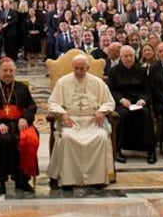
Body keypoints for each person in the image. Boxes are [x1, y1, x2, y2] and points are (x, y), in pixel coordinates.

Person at [47, 54, 115, 188]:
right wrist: (63, 114)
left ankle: (97, 180)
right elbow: (52, 103)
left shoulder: (98, 82)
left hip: (92, 121)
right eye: (76, 68)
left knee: (100, 137)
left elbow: (109, 102)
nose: (78, 72)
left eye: (82, 69)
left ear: (88, 68)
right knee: (66, 138)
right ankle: (69, 180)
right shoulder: (62, 82)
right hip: (71, 121)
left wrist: (101, 111)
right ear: (72, 67)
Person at [0, 57, 38, 194]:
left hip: (19, 124)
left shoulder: (21, 88)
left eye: (11, 71)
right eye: (5, 70)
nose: (8, 73)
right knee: (5, 140)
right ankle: (2, 179)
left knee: (28, 141)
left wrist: (24, 118)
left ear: (15, 72)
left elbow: (32, 106)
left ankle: (22, 179)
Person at [109, 45, 156, 164]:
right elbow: (112, 90)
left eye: (131, 55)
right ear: (121, 57)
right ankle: (119, 149)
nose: (129, 58)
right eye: (126, 56)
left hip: (138, 101)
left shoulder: (141, 70)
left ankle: (150, 149)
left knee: (145, 114)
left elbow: (147, 90)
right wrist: (121, 100)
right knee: (124, 115)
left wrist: (143, 100)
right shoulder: (114, 71)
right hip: (122, 103)